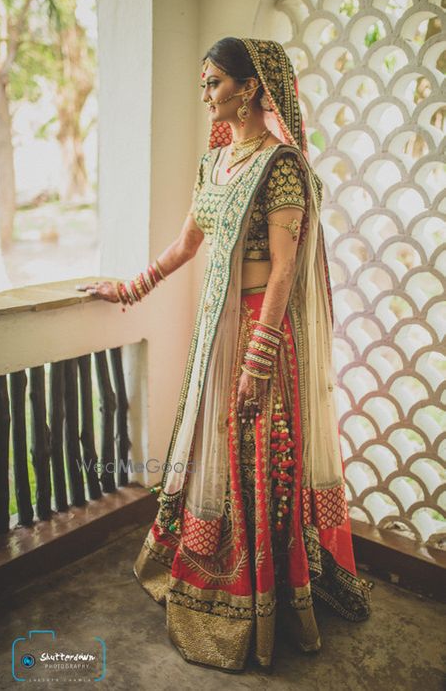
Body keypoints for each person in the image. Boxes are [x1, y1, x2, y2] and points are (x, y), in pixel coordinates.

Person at [79, 37, 373, 673]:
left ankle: (264, 602)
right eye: (204, 82)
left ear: (250, 87)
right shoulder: (215, 163)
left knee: (257, 459)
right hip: (214, 335)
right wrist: (128, 288)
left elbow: (286, 268)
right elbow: (188, 244)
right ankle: (204, 574)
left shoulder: (281, 165)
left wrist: (259, 356)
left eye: (214, 81)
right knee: (215, 456)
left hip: (260, 337)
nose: (206, 93)